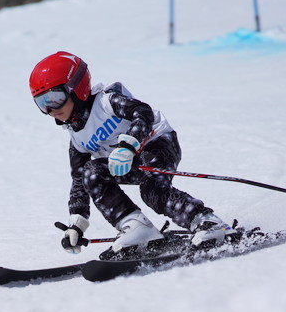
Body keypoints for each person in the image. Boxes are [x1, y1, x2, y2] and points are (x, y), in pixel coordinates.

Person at [29, 51, 237, 256]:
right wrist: (76, 224)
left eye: (54, 98)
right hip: (126, 162)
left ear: (77, 88)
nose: (51, 109)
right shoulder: (76, 138)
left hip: (158, 144)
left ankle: (207, 223)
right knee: (91, 173)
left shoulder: (106, 102)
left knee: (152, 190)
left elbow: (143, 112)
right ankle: (136, 227)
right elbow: (78, 181)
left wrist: (128, 146)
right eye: (42, 103)